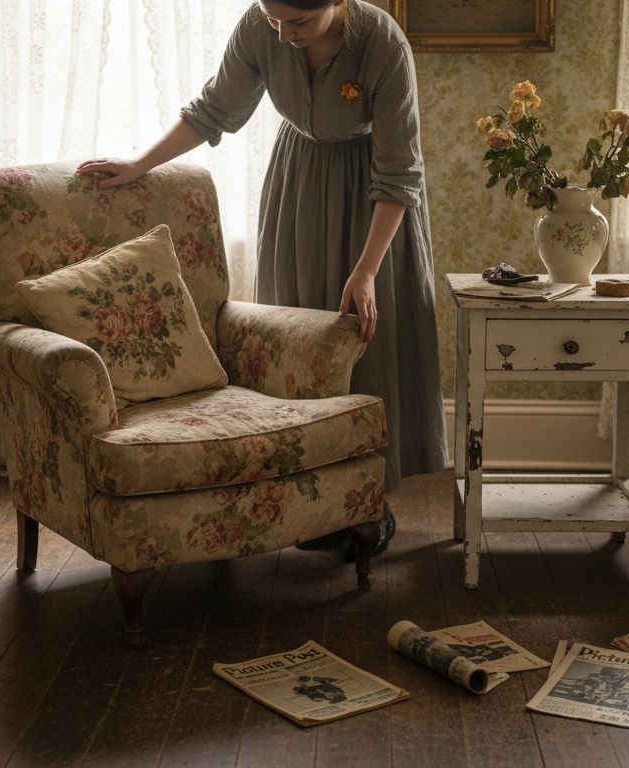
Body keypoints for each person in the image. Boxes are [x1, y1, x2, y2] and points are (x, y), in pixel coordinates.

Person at [77, 0, 448, 554]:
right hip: (298, 187)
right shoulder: (261, 25)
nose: (284, 34)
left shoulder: (382, 43)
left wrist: (368, 269)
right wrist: (139, 164)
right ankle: (306, 493)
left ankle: (368, 498)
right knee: (296, 335)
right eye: (275, 20)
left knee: (371, 340)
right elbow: (211, 112)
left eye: (298, 23)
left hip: (372, 204)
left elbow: (399, 172)